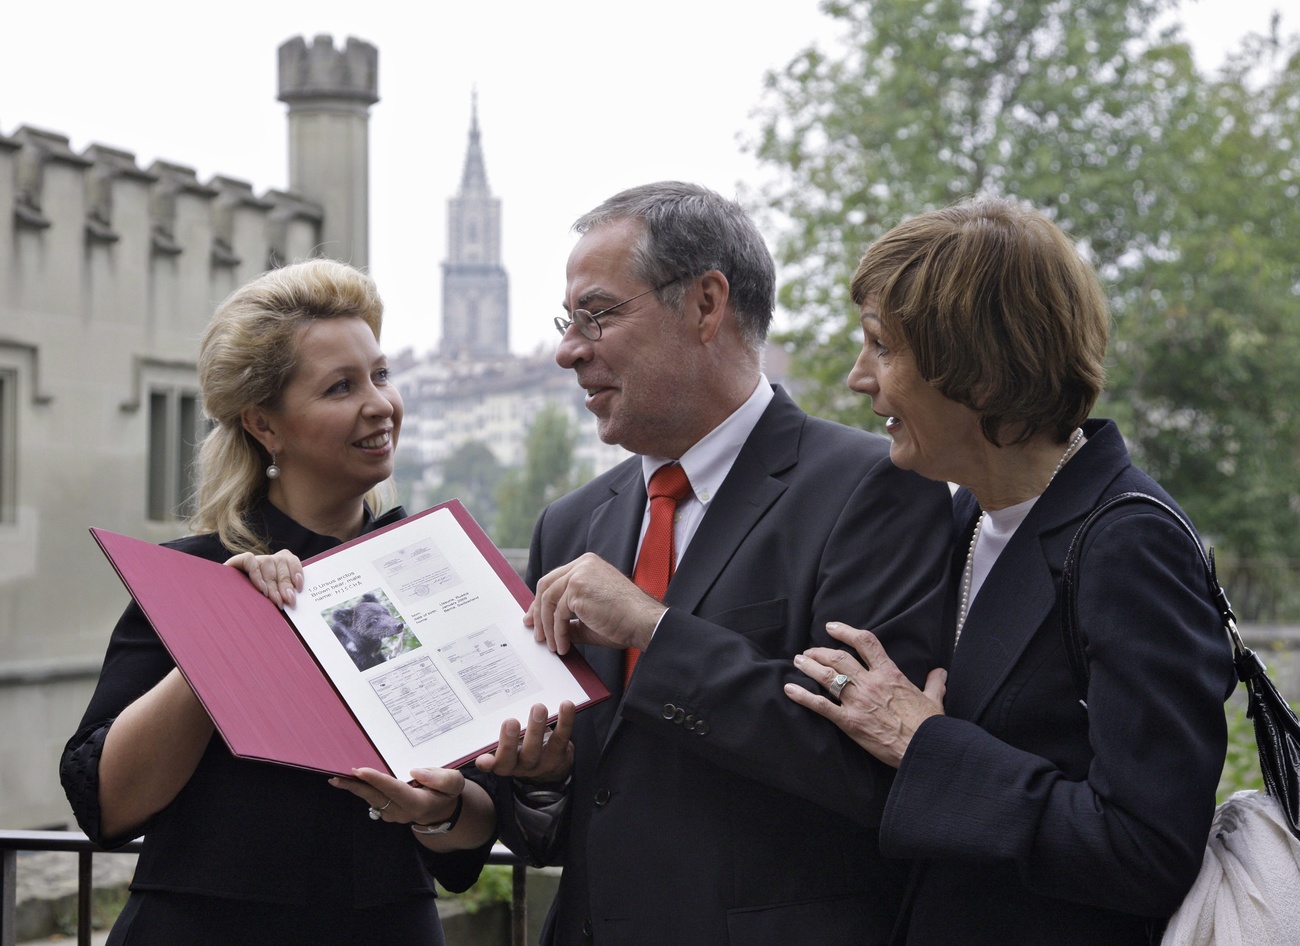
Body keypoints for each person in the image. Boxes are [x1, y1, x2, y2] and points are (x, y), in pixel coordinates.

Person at [478, 181, 954, 945]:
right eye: (569, 322)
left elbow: (871, 773)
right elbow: (567, 820)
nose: (569, 349)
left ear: (705, 304)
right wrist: (541, 777)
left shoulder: (876, 491)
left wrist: (655, 631)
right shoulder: (571, 524)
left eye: (597, 314)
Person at [785, 198, 1236, 945]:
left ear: (982, 375)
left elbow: (1147, 851)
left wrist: (925, 747)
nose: (859, 378)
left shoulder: (1127, 542)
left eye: (881, 347)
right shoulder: (969, 520)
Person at [60, 259, 496, 946]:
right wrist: (229, 631)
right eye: (341, 387)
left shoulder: (430, 574)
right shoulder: (194, 576)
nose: (380, 404)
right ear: (265, 424)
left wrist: (440, 812)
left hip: (385, 928)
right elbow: (106, 804)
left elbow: (474, 832)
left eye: (380, 375)